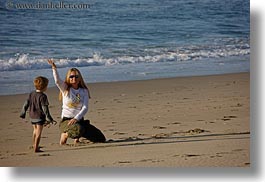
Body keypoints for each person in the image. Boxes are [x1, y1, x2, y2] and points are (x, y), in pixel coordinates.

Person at [48, 59, 91, 145]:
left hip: (78, 119)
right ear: (68, 78)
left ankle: (77, 139)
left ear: (79, 78)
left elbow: (85, 107)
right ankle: (65, 135)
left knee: (100, 137)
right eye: (71, 77)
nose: (73, 78)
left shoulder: (84, 91)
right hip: (66, 120)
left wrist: (76, 118)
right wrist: (54, 68)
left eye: (76, 76)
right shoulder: (65, 88)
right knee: (79, 129)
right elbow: (57, 81)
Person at [20, 76, 56, 153]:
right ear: (45, 87)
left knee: (35, 130)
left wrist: (23, 113)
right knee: (39, 133)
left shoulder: (31, 94)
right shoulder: (43, 96)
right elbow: (45, 109)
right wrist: (49, 118)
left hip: (32, 116)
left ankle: (34, 144)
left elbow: (26, 104)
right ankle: (36, 148)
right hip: (39, 116)